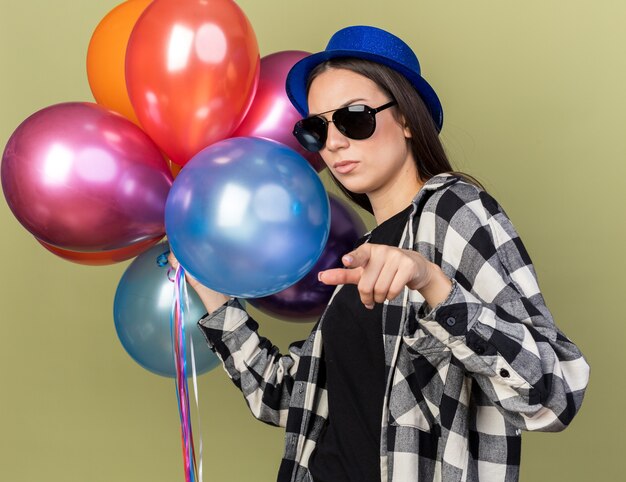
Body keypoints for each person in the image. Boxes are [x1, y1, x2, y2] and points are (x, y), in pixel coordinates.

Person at [169, 25, 590, 482]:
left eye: (354, 117)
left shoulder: (453, 209)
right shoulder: (365, 254)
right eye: (316, 128)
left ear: (407, 117)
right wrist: (206, 285)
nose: (333, 142)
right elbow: (288, 398)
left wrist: (432, 282)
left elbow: (554, 394)